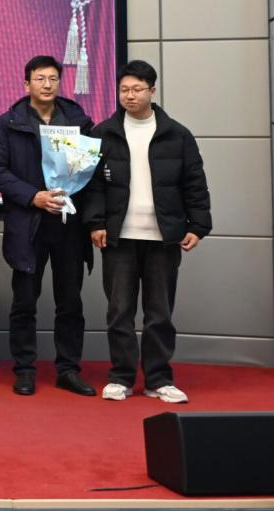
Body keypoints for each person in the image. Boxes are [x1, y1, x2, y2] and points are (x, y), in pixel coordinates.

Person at [83, 60, 211, 404]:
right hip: (119, 237)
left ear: (152, 91)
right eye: (124, 89)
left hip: (163, 237)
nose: (130, 95)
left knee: (159, 313)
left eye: (137, 89)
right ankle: (121, 377)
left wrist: (198, 226)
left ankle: (159, 379)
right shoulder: (103, 133)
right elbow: (92, 186)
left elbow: (194, 183)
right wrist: (95, 223)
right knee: (119, 311)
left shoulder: (177, 134)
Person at [0, 54, 96, 397]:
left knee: (70, 303)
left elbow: (90, 168)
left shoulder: (78, 121)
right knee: (24, 303)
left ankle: (68, 370)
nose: (47, 85)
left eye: (53, 79)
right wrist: (33, 196)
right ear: (26, 84)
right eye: (39, 79)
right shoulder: (8, 123)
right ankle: (24, 370)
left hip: (68, 224)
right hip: (28, 225)